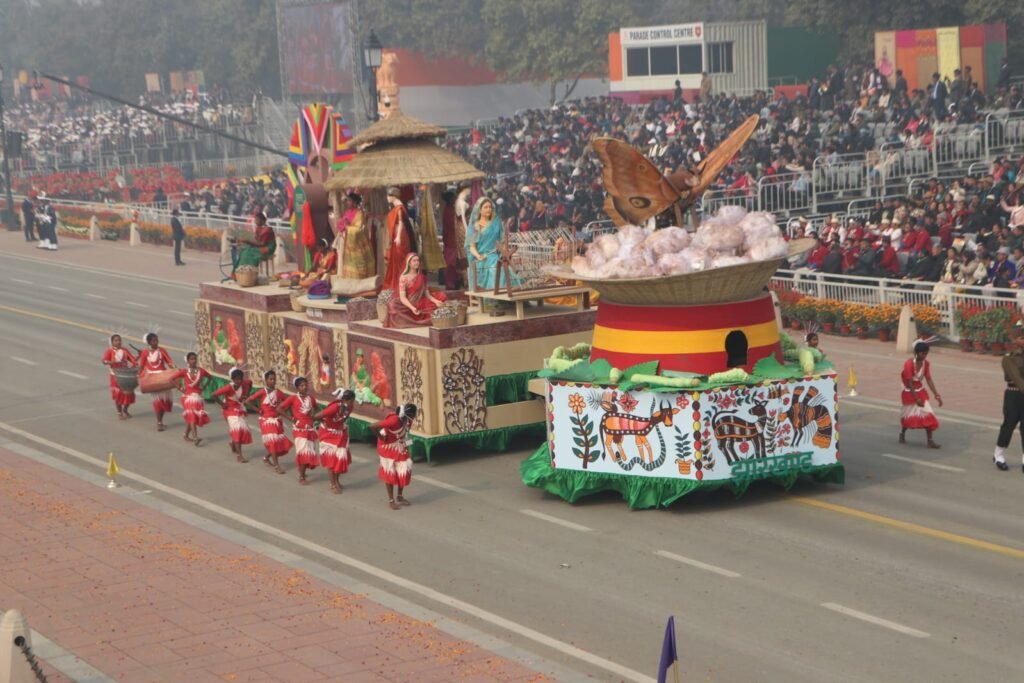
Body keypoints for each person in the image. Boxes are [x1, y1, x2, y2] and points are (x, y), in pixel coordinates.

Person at [371, 403, 417, 510]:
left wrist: (408, 444)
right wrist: (381, 437)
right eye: (415, 414)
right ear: (410, 414)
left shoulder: (408, 420)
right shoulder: (394, 420)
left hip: (398, 444)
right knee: (390, 472)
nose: (415, 416)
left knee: (405, 468)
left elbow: (403, 435)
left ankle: (400, 496)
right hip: (386, 446)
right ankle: (391, 500)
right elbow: (373, 426)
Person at [246, 369, 292, 474]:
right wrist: (258, 410)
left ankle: (266, 458)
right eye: (270, 379)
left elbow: (287, 403)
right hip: (266, 420)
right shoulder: (262, 392)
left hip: (277, 420)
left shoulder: (278, 393)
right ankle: (277, 466)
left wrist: (282, 410)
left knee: (276, 442)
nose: (273, 381)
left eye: (274, 379)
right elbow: (248, 401)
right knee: (273, 441)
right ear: (266, 380)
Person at [384, 253, 447, 328]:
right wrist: (412, 308)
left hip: (421, 302)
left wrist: (436, 301)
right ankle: (413, 317)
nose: (417, 262)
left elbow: (427, 295)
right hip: (409, 303)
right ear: (409, 263)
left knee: (442, 296)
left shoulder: (422, 277)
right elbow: (403, 298)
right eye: (414, 261)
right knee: (392, 304)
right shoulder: (403, 278)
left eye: (418, 260)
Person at [900, 341, 942, 448]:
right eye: (923, 354)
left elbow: (929, 379)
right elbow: (909, 382)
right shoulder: (908, 363)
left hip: (920, 391)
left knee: (929, 414)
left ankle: (930, 441)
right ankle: (902, 433)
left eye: (926, 354)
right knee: (908, 416)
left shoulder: (926, 364)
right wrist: (916, 399)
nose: (924, 356)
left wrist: (936, 395)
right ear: (917, 353)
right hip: (909, 392)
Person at [994, 323, 1024, 471]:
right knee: (1009, 425)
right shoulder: (1008, 359)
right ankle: (998, 454)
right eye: (1021, 338)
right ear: (1014, 341)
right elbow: (1018, 380)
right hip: (1013, 395)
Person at [314, 388, 355, 494]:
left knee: (340, 458)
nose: (352, 403)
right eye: (350, 401)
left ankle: (337, 480)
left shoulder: (350, 408)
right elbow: (316, 416)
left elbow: (343, 419)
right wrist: (325, 422)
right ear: (344, 400)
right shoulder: (334, 408)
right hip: (327, 434)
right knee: (331, 460)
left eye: (352, 401)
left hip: (340, 433)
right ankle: (332, 484)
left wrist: (340, 426)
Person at [280, 376, 319, 485]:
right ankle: (301, 477)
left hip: (310, 430)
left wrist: (315, 419)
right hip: (299, 430)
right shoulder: (292, 398)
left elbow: (318, 410)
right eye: (302, 386)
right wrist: (291, 418)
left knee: (309, 453)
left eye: (306, 385)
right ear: (297, 388)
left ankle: (302, 471)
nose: (304, 387)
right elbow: (279, 408)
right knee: (303, 453)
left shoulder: (311, 398)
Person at [212, 367, 253, 463]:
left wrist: (247, 394)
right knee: (237, 430)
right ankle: (240, 455)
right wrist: (223, 405)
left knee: (242, 429)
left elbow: (250, 383)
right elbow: (213, 395)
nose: (239, 381)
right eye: (236, 379)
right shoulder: (228, 388)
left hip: (240, 410)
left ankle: (233, 443)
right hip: (229, 411)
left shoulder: (245, 383)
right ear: (233, 379)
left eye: (240, 379)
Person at [138, 332, 175, 432]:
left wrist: (174, 368)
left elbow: (169, 361)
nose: (156, 342)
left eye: (157, 340)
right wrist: (140, 377)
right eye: (154, 341)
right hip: (152, 379)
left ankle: (160, 420)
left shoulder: (162, 351)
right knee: (158, 402)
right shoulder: (145, 353)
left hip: (163, 377)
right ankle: (159, 422)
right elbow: (141, 366)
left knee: (164, 400)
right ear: (149, 342)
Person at [383, 187, 416, 292]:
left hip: (400, 235)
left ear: (393, 196)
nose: (387, 198)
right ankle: (399, 282)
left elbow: (401, 222)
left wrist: (398, 236)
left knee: (400, 259)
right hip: (398, 234)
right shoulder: (397, 207)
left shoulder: (399, 208)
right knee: (397, 259)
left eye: (388, 196)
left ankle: (401, 283)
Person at [337, 192, 374, 280]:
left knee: (358, 262)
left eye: (349, 201)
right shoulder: (347, 212)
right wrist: (344, 227)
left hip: (356, 243)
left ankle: (358, 280)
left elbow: (358, 229)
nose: (347, 203)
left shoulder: (359, 213)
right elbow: (340, 224)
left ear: (354, 202)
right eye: (347, 201)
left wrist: (347, 227)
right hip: (345, 240)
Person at [176, 352, 211, 446]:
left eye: (195, 359)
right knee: (192, 416)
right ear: (187, 360)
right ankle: (195, 437)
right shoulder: (184, 371)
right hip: (187, 398)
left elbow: (210, 377)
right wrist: (179, 388)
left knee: (192, 417)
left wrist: (203, 387)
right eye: (191, 359)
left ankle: (186, 435)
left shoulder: (201, 371)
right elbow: (173, 378)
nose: (194, 361)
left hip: (198, 397)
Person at [101, 334, 136, 420]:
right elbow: (104, 361)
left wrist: (138, 357)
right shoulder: (109, 351)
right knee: (118, 395)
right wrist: (111, 362)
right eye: (116, 340)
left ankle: (125, 409)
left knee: (129, 394)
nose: (118, 342)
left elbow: (133, 360)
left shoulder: (125, 350)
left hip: (125, 375)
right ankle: (119, 412)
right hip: (115, 376)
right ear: (112, 342)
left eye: (119, 340)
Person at [233, 211, 276, 277]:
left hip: (268, 247)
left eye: (257, 220)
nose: (255, 221)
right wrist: (249, 242)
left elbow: (262, 244)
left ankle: (250, 274)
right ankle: (241, 275)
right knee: (245, 251)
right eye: (255, 220)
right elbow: (257, 240)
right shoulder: (258, 228)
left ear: (262, 220)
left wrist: (248, 241)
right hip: (261, 246)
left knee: (250, 253)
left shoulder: (267, 230)